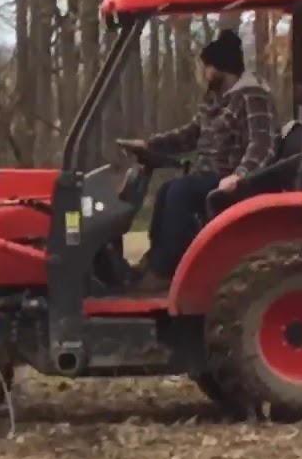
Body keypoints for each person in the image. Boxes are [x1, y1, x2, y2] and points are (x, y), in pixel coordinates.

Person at [118, 28, 279, 293]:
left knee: (179, 193)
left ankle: (168, 269)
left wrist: (240, 175)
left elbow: (263, 144)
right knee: (166, 190)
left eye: (205, 68)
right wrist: (149, 144)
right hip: (210, 176)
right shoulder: (218, 102)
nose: (203, 75)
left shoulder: (253, 98)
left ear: (218, 69)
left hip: (235, 180)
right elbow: (190, 134)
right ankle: (156, 261)